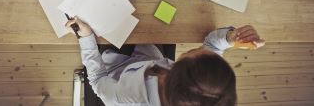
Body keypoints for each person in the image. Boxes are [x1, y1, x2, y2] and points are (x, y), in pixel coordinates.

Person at [66, 17, 265, 106]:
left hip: (113, 65)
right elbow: (212, 46)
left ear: (168, 75)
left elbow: (98, 79)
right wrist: (230, 37)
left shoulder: (126, 99)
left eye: (189, 53)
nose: (201, 48)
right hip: (147, 53)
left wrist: (86, 37)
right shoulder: (205, 89)